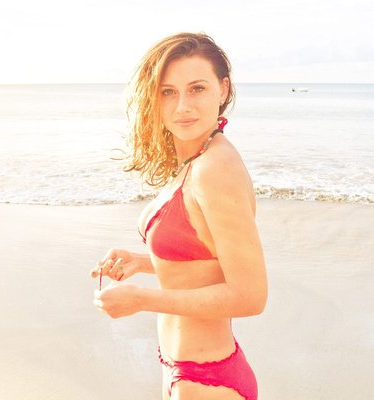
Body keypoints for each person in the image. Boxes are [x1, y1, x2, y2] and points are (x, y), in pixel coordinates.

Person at [90, 32, 268, 400]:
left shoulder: (215, 168)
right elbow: (209, 262)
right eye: (168, 92)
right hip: (187, 370)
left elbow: (250, 296)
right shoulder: (197, 159)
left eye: (197, 89)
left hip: (207, 381)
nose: (182, 106)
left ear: (223, 89)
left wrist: (142, 299)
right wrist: (143, 262)